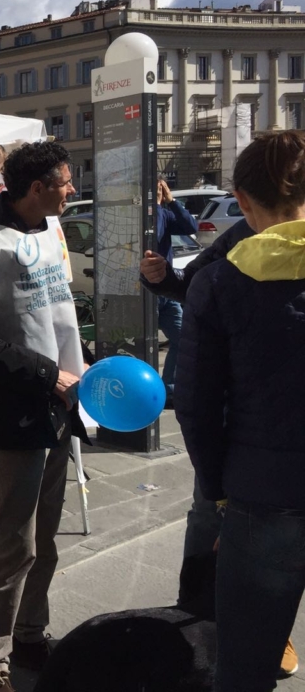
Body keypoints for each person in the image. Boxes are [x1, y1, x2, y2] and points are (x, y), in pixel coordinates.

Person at [0, 141, 87, 692]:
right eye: (65, 182)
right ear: (36, 189)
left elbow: (60, 315)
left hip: (60, 411)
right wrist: (46, 374)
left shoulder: (52, 234)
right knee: (15, 544)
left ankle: (31, 632)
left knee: (47, 538)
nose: (72, 190)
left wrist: (79, 368)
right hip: (16, 416)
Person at [176, 130, 305, 691]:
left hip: (262, 494)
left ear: (243, 202)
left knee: (245, 669)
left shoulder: (220, 282)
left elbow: (197, 408)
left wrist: (218, 491)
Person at [147, 177, 198, 401]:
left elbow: (190, 227)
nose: (161, 191)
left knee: (182, 338)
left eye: (162, 187)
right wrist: (156, 207)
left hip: (166, 292)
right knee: (145, 343)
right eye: (158, 188)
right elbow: (154, 236)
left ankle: (169, 389)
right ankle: (147, 391)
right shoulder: (146, 215)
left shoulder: (166, 213)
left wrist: (172, 202)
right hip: (146, 291)